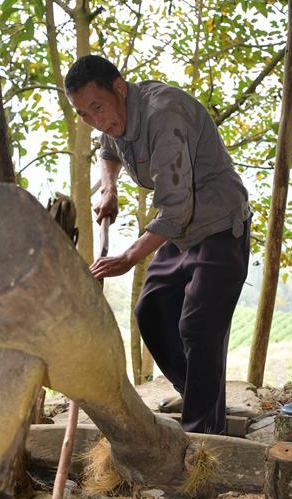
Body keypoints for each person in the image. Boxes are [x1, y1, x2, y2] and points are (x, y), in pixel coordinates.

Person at [64, 55, 251, 435]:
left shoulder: (163, 116)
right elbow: (107, 151)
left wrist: (129, 257)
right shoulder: (114, 118)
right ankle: (203, 397)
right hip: (181, 233)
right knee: (151, 311)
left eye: (96, 107)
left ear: (119, 87)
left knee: (198, 325)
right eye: (83, 114)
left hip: (218, 226)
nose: (95, 120)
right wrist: (110, 189)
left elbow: (175, 210)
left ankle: (201, 439)